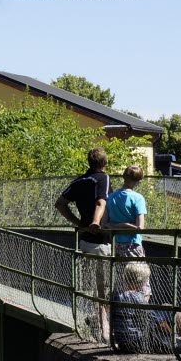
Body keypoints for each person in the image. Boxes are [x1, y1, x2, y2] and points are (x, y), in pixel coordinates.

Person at [55, 147, 112, 342]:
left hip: (85, 242)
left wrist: (79, 223)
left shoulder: (80, 181)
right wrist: (95, 223)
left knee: (93, 287)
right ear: (105, 163)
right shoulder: (102, 179)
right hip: (100, 241)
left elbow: (60, 203)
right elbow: (100, 203)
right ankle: (105, 331)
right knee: (104, 287)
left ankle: (97, 324)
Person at [106, 165, 148, 259]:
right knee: (138, 273)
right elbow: (140, 227)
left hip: (115, 245)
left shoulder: (111, 197)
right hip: (132, 245)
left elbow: (105, 223)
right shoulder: (138, 198)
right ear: (138, 182)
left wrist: (117, 226)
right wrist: (126, 225)